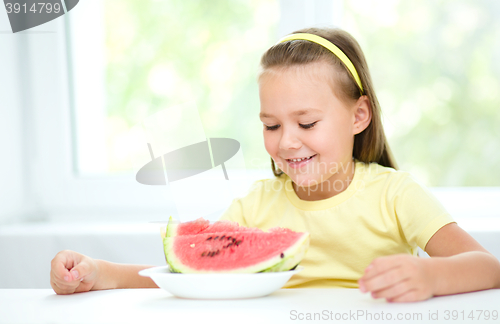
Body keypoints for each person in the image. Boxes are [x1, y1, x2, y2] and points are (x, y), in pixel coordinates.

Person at [50, 27, 500, 302]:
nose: (287, 142)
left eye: (306, 122)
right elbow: (192, 275)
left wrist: (430, 275)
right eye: (270, 125)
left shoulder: (395, 194)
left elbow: (488, 266)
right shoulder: (255, 207)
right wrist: (102, 273)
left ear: (358, 116)